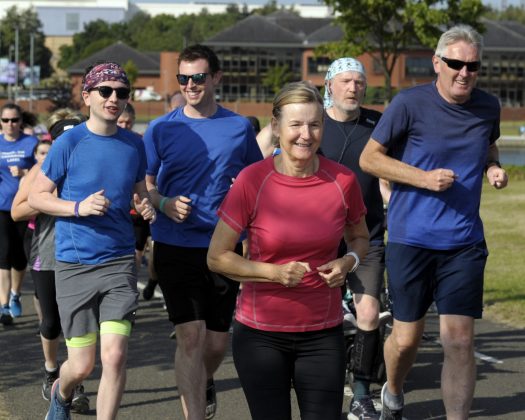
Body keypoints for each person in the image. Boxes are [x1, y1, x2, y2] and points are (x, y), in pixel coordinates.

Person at [359, 25, 508, 420]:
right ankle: (392, 391)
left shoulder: (487, 106)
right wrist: (423, 178)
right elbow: (370, 159)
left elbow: (488, 143)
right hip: (412, 240)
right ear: (438, 63)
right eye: (456, 63)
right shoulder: (409, 103)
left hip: (463, 243)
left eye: (472, 66)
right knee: (406, 340)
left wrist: (493, 166)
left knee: (458, 340)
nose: (464, 72)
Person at [207, 81, 370, 420]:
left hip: (323, 334)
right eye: (296, 124)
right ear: (277, 127)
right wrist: (274, 273)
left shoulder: (343, 181)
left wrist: (349, 262)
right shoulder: (253, 180)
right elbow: (217, 256)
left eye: (314, 124)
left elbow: (360, 238)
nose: (305, 135)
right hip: (261, 335)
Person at [28, 62, 156, 420]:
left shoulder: (134, 144)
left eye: (121, 92)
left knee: (114, 356)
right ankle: (61, 390)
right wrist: (78, 206)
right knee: (81, 366)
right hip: (75, 264)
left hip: (118, 263)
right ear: (87, 96)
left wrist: (146, 205)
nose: (114, 98)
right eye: (105, 91)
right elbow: (37, 196)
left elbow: (139, 191)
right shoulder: (69, 142)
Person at [143, 44, 262, 420]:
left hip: (223, 247)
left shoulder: (239, 127)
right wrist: (163, 204)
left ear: (215, 78)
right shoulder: (162, 128)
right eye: (184, 78)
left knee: (215, 343)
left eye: (198, 77)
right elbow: (143, 182)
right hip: (174, 243)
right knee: (190, 337)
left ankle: (202, 380)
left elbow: (255, 180)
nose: (191, 85)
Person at [321, 57, 388, 420]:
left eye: (359, 82)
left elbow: (393, 167)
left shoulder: (378, 124)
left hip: (369, 233)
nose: (353, 88)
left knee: (369, 313)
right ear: (329, 85)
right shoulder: (314, 124)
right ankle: (321, 383)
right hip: (320, 237)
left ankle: (361, 394)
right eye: (346, 81)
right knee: (322, 317)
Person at [11, 109, 90, 413]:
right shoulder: (42, 169)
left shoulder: (89, 165)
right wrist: (49, 199)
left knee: (79, 321)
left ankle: (76, 383)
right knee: (52, 321)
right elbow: (17, 212)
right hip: (48, 254)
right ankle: (49, 370)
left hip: (84, 255)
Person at [0, 103, 38, 325]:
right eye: (5, 120)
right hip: (3, 207)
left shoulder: (30, 143)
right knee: (3, 255)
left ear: (21, 122)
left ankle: (16, 293)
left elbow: (43, 169)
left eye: (14, 120)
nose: (10, 125)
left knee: (20, 257)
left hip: (25, 208)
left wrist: (25, 172)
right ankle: (4, 306)